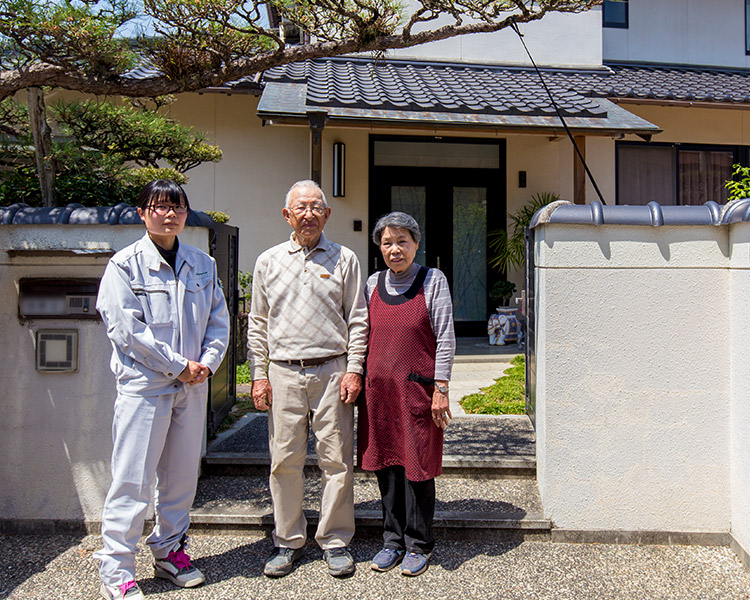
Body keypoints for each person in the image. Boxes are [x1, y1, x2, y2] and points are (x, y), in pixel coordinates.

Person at [94, 180, 230, 600]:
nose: (169, 215)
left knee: (181, 478)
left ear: (186, 214)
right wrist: (177, 365)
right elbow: (125, 329)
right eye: (159, 207)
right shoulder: (124, 265)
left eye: (177, 208)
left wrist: (207, 362)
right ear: (142, 212)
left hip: (192, 387)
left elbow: (218, 321)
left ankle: (169, 550)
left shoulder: (202, 263)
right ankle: (116, 569)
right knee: (132, 480)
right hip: (145, 387)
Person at [247, 180, 368, 578]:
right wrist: (258, 375)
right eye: (301, 207)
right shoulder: (268, 261)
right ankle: (287, 540)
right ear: (287, 215)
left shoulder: (344, 258)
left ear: (327, 215)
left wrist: (354, 368)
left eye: (317, 207)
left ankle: (334, 540)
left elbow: (358, 318)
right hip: (283, 371)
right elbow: (258, 324)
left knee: (337, 461)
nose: (309, 214)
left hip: (333, 369)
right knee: (285, 461)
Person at [358, 211, 456, 577]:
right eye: (387, 243)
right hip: (379, 391)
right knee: (386, 465)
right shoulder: (371, 284)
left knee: (418, 467)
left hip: (417, 388)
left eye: (402, 241)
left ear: (416, 244)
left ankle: (419, 543)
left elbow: (445, 337)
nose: (395, 249)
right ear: (379, 248)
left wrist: (441, 387)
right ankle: (391, 541)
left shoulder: (433, 281)